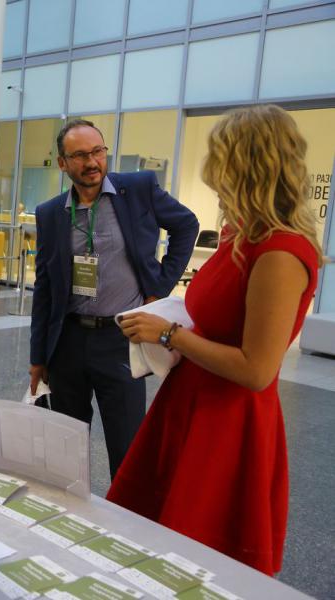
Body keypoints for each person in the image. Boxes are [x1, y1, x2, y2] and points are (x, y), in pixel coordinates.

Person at [110, 105, 322, 576]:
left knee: (195, 552)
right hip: (192, 400)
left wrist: (170, 334)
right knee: (161, 544)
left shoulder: (279, 253)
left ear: (247, 167)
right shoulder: (240, 236)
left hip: (227, 421)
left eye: (221, 162)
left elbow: (256, 370)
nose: (213, 176)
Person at [28, 119, 198, 478]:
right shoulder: (50, 213)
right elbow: (44, 288)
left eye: (98, 152)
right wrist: (38, 358)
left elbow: (186, 225)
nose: (92, 162)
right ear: (62, 163)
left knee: (127, 445)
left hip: (121, 338)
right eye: (80, 155)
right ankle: (69, 505)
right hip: (68, 341)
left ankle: (124, 511)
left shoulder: (138, 189)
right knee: (66, 445)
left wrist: (160, 287)